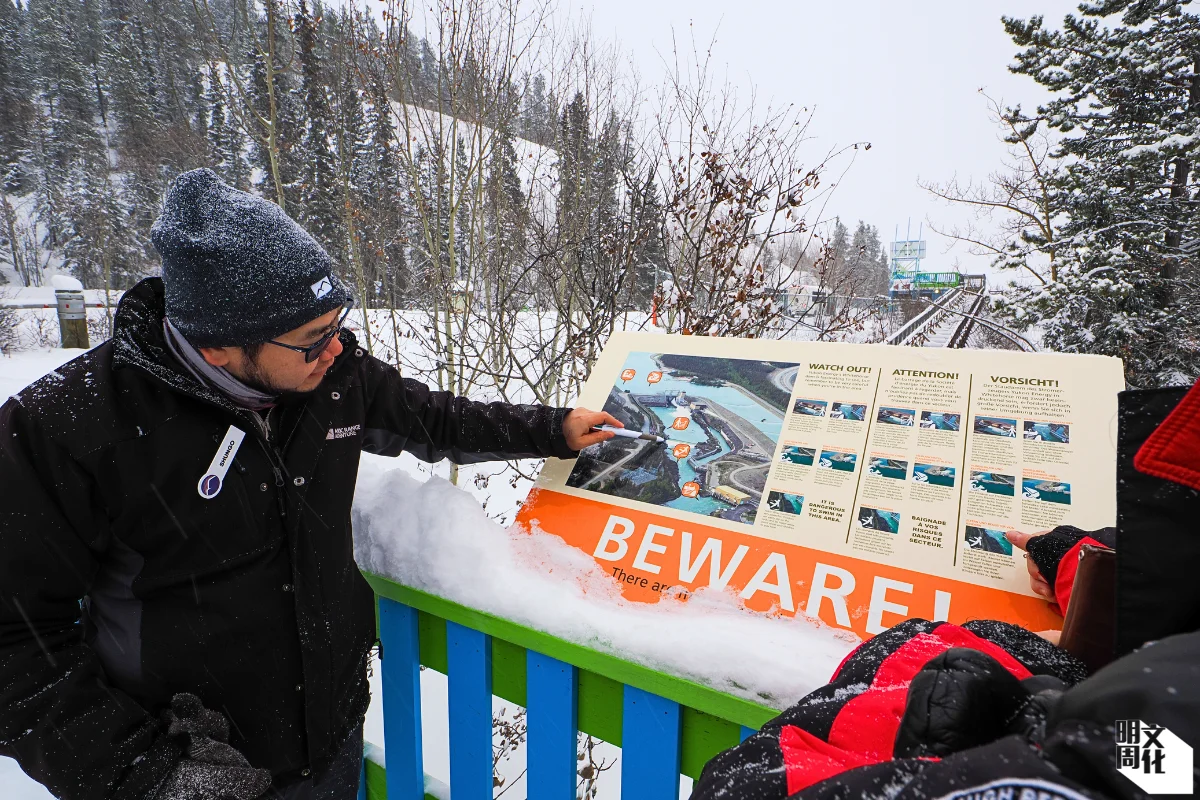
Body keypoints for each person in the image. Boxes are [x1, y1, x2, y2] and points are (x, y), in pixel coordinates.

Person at [0, 168, 621, 800]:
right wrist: (147, 774)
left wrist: (554, 429)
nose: (334, 351)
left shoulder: (329, 376)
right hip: (186, 765)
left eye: (337, 323)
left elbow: (433, 418)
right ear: (217, 347)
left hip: (328, 737)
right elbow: (12, 641)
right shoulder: (68, 429)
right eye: (311, 340)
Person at [693, 378, 1200, 800]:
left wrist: (993, 653)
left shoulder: (1142, 750)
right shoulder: (1156, 742)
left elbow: (761, 783)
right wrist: (1078, 559)